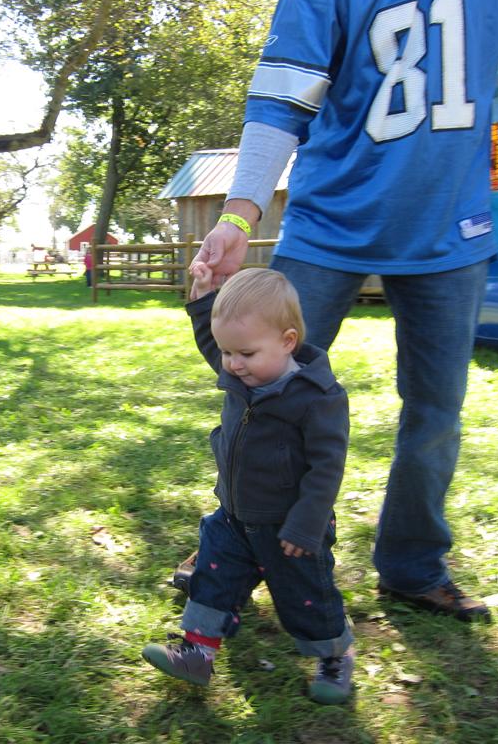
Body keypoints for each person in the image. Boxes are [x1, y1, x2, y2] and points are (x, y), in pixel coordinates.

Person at [189, 0, 498, 622]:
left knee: (436, 411)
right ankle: (234, 547)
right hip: (329, 222)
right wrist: (238, 213)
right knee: (258, 387)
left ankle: (412, 566)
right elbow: (282, 97)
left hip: (450, 225)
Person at [143, 266, 354, 704]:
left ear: (288, 341)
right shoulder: (243, 374)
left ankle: (334, 656)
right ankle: (197, 654)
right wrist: (204, 301)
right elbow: (213, 343)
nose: (232, 364)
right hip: (233, 516)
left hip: (290, 527)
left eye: (245, 353)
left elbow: (327, 467)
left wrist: (307, 524)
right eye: (227, 353)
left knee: (305, 596)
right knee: (213, 578)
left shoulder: (318, 397)